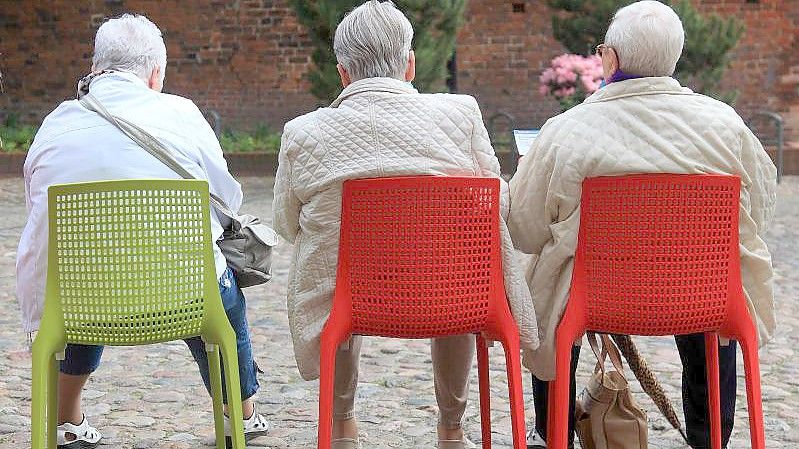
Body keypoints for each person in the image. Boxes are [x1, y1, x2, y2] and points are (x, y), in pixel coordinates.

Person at [508, 2, 777, 449]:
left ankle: (551, 432)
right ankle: (711, 438)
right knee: (712, 283)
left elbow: (524, 228)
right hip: (701, 292)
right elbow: (761, 209)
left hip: (590, 297)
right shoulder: (725, 125)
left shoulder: (566, 131)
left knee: (549, 282)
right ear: (675, 58)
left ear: (609, 59)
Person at [272, 1, 538, 448]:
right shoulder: (461, 114)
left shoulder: (303, 132)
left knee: (334, 266)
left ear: (342, 74)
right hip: (452, 291)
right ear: (410, 64)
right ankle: (452, 430)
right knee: (459, 269)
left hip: (353, 297)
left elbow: (284, 222)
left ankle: (341, 428)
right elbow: (496, 197)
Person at [16, 14, 269, 448]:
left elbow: (36, 202)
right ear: (155, 74)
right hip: (182, 297)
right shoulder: (182, 114)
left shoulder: (56, 123)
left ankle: (64, 417)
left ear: (95, 69)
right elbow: (228, 196)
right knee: (214, 281)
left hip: (76, 301)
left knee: (86, 270)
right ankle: (238, 414)